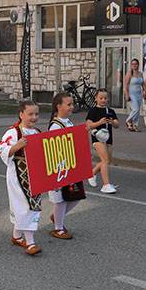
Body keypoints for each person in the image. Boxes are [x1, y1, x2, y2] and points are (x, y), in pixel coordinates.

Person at [0, 99, 43, 256]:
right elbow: (0, 148)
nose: (34, 117)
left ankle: (17, 236)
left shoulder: (37, 132)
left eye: (36, 114)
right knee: (25, 206)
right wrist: (16, 147)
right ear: (21, 114)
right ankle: (30, 243)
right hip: (19, 177)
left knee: (27, 206)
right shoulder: (14, 132)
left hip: (34, 176)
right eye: (30, 114)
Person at [48, 92, 93, 239]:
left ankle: (57, 217)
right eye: (69, 104)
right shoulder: (55, 126)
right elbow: (53, 148)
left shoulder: (68, 122)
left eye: (72, 104)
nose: (72, 107)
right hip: (59, 168)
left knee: (76, 195)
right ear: (58, 106)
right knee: (61, 199)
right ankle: (58, 228)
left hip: (71, 166)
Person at [85, 88, 119, 194]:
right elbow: (88, 125)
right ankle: (106, 185)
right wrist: (99, 122)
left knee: (108, 160)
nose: (103, 100)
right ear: (96, 98)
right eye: (101, 98)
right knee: (104, 160)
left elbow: (117, 125)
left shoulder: (111, 111)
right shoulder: (93, 111)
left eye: (105, 98)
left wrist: (112, 122)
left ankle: (92, 173)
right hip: (97, 138)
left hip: (108, 138)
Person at [124, 58, 144, 132]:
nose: (134, 65)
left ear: (138, 65)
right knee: (135, 109)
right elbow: (126, 85)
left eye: (135, 64)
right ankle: (128, 120)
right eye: (132, 64)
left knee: (137, 111)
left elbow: (143, 84)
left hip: (139, 94)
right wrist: (126, 94)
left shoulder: (140, 73)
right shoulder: (129, 73)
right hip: (132, 94)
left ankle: (135, 125)